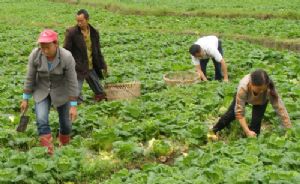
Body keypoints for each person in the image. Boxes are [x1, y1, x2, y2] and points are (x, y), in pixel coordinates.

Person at [20, 29, 78, 155]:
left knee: (66, 124)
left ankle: (64, 145)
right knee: (41, 119)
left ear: (56, 44)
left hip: (62, 90)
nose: (45, 50)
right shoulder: (35, 55)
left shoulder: (66, 57)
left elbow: (72, 81)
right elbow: (30, 77)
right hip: (41, 89)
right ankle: (48, 150)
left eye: (48, 47)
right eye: (42, 47)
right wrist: (25, 98)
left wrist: (73, 105)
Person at [209, 69, 291, 140]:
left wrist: (288, 128)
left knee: (256, 124)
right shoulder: (243, 86)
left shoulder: (269, 89)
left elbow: (280, 108)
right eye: (259, 89)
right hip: (245, 97)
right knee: (231, 114)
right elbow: (239, 112)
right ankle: (213, 130)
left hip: (261, 102)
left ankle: (249, 143)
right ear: (251, 84)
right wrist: (247, 130)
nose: (261, 91)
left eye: (263, 89)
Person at [64, 9, 107, 103]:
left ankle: (100, 95)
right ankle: (76, 102)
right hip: (77, 66)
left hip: (90, 63)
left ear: (87, 19)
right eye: (77, 21)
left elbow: (97, 50)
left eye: (81, 21)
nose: (79, 23)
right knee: (75, 89)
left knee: (96, 84)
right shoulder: (72, 32)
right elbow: (66, 50)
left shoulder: (94, 33)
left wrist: (103, 64)